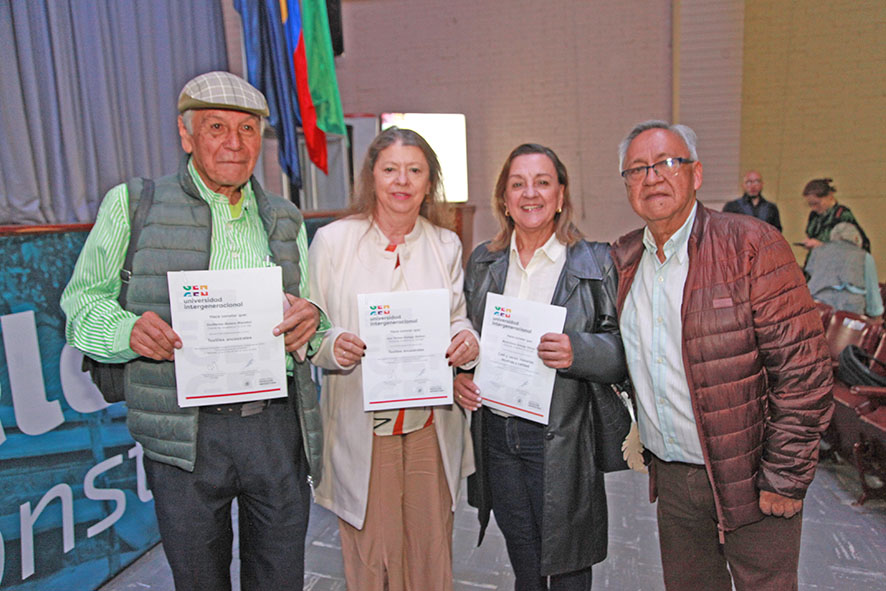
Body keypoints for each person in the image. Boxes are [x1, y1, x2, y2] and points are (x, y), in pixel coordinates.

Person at [61, 71, 324, 591]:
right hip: (184, 435)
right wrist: (127, 331)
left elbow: (312, 320)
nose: (234, 142)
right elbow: (81, 304)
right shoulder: (133, 205)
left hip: (274, 427)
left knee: (280, 579)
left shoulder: (286, 219)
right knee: (198, 579)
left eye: (248, 130)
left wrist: (313, 318)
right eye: (217, 127)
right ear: (186, 136)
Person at [611, 120, 833, 591]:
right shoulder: (626, 260)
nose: (652, 177)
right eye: (637, 169)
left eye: (667, 162)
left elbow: (804, 372)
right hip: (674, 481)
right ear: (627, 184)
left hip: (752, 476)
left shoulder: (753, 245)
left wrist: (785, 475)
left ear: (696, 174)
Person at [308, 126, 479, 591]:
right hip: (365, 427)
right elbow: (312, 331)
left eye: (415, 171)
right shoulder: (332, 242)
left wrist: (467, 340)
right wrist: (333, 346)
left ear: (429, 182)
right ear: (372, 177)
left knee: (430, 555)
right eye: (390, 169)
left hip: (429, 427)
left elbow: (457, 319)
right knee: (373, 560)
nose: (402, 181)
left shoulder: (445, 245)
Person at [455, 143, 627, 591]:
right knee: (525, 561)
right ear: (504, 199)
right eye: (518, 184)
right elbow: (467, 336)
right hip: (498, 435)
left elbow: (624, 351)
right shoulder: (484, 262)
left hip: (563, 437)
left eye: (542, 182)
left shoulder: (595, 262)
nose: (530, 193)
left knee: (569, 565)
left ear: (561, 194)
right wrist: (462, 378)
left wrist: (579, 351)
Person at [806, 222, 884, 318]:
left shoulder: (817, 251)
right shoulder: (865, 257)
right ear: (856, 239)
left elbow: (810, 273)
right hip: (849, 314)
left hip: (817, 310)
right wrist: (877, 317)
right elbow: (873, 297)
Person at [800, 177, 870, 252]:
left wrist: (822, 246)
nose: (813, 208)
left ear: (829, 196)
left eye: (816, 203)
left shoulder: (842, 215)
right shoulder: (814, 216)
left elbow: (852, 248)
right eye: (810, 204)